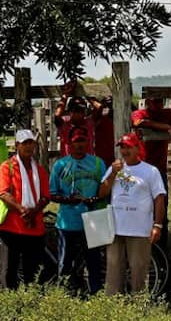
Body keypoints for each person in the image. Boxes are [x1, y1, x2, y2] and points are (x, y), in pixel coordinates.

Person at [98, 132, 166, 295]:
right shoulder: (114, 168)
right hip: (115, 227)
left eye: (128, 147)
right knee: (113, 270)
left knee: (139, 269)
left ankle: (137, 305)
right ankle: (114, 306)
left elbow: (159, 199)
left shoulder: (150, 171)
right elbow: (102, 192)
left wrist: (157, 225)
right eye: (122, 147)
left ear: (137, 148)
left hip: (139, 229)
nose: (125, 151)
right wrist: (113, 173)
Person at [49, 126, 107, 294]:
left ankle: (95, 294)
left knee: (94, 262)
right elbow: (52, 194)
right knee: (65, 263)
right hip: (67, 222)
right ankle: (64, 296)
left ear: (88, 141)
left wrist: (95, 199)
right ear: (69, 143)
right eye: (76, 141)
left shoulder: (98, 163)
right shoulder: (60, 165)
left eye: (82, 140)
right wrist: (69, 200)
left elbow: (104, 189)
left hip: (93, 220)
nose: (79, 145)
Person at [0, 129, 50, 289]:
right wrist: (21, 210)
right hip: (12, 228)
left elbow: (46, 196)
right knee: (9, 270)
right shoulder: (7, 167)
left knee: (32, 272)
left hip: (34, 228)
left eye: (31, 143)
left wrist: (33, 211)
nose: (28, 147)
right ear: (17, 146)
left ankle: (30, 305)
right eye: (24, 143)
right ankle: (11, 307)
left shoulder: (39, 170)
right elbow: (4, 193)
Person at [130, 96, 171, 244]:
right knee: (139, 208)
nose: (158, 105)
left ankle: (161, 247)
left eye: (160, 101)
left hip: (159, 169)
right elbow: (139, 122)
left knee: (161, 209)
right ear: (148, 102)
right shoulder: (140, 113)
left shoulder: (169, 113)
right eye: (155, 102)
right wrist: (166, 127)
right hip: (140, 169)